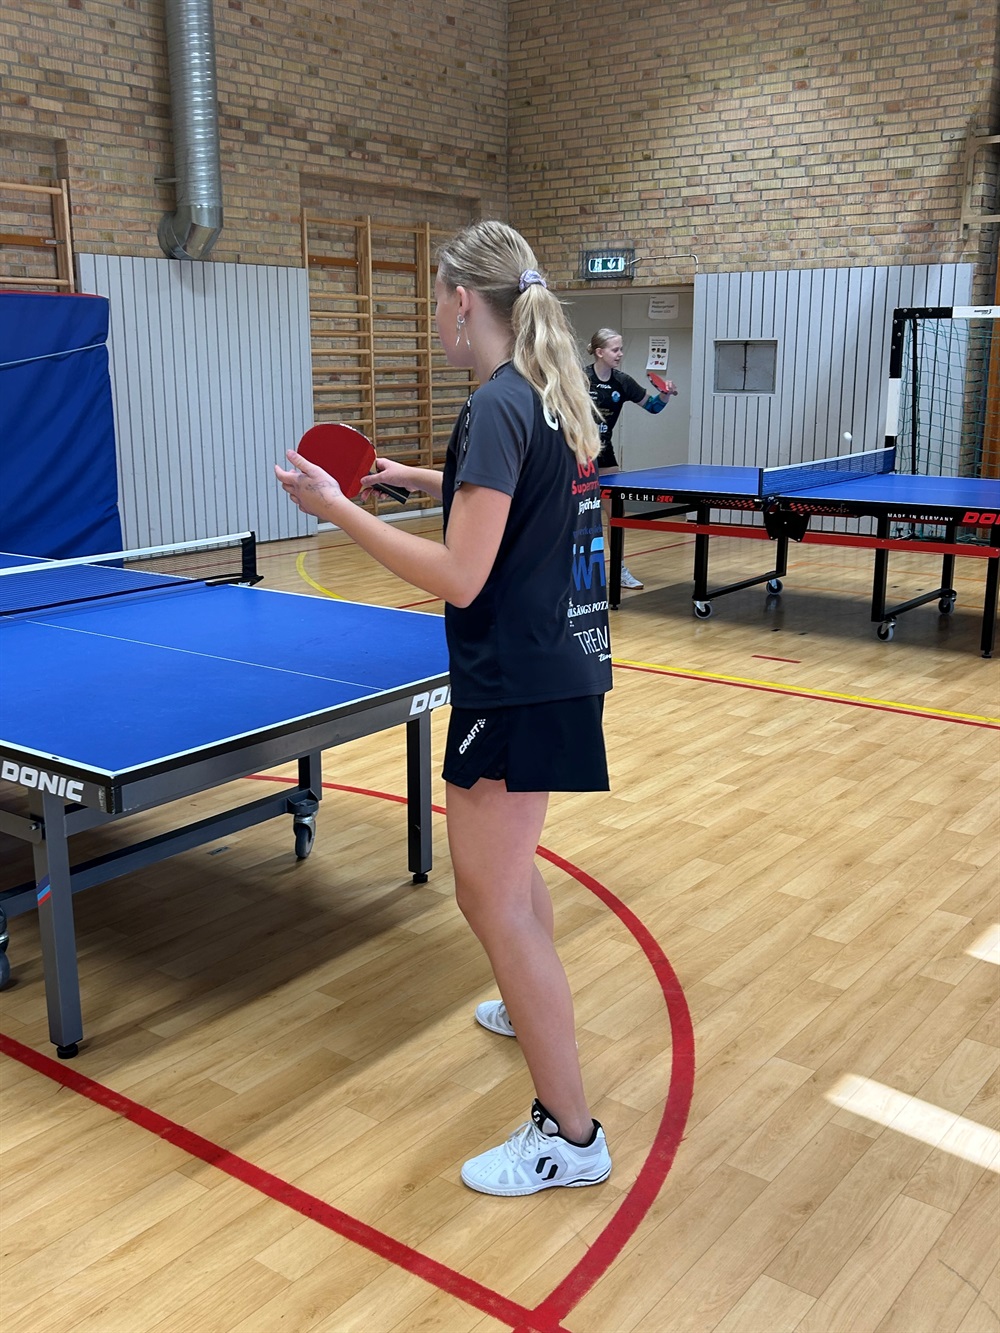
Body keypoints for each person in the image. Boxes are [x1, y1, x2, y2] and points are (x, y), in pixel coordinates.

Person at [275, 221, 613, 1198]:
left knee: (488, 898)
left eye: (434, 298)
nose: (432, 315)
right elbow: (506, 499)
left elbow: (462, 573)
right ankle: (525, 997)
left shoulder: (495, 403)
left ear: (464, 302)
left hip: (514, 677)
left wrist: (340, 509)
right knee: (511, 879)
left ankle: (571, 1137)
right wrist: (402, 478)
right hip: (562, 660)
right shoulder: (545, 390)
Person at [586, 328, 678, 589]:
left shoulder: (623, 382)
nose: (620, 354)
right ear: (599, 352)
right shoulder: (580, 379)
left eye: (621, 349)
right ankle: (574, 571)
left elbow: (653, 407)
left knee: (616, 514)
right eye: (615, 349)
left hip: (605, 455)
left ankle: (618, 568)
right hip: (577, 456)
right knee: (578, 516)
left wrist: (665, 393)